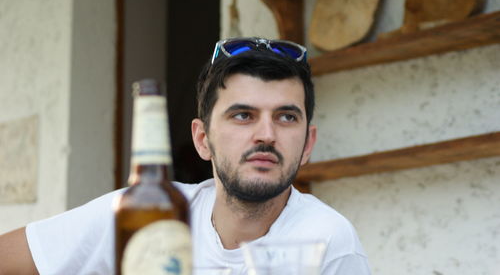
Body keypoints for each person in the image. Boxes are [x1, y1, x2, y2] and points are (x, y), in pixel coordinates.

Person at [0, 37, 371, 274]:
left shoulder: (329, 242)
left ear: (307, 143)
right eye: (243, 115)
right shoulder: (146, 215)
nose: (266, 135)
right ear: (202, 138)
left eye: (286, 117)